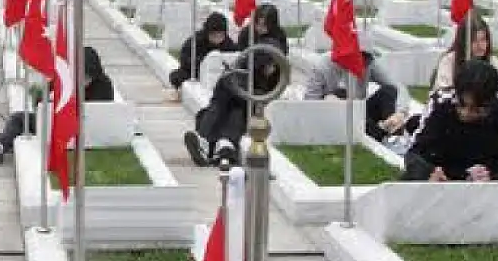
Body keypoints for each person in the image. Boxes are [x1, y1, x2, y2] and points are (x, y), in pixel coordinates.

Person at [401, 59, 498, 235]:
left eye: (476, 110)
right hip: (449, 182)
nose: (466, 113)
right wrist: (430, 172)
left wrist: (493, 177)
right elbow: (414, 154)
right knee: (407, 191)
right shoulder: (443, 110)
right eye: (462, 106)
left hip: (497, 186)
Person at [0, 47, 114, 164]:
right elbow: (41, 98)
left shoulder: (104, 85)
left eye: (86, 77)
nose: (82, 80)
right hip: (57, 123)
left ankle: (1, 142)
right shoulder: (65, 78)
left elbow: (103, 114)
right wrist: (47, 99)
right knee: (19, 119)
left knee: (13, 129)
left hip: (82, 130)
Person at [184, 30, 289, 167]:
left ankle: (212, 142)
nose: (271, 68)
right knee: (222, 106)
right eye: (269, 65)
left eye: (273, 65)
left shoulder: (278, 77)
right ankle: (222, 146)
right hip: (232, 105)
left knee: (233, 111)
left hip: (250, 109)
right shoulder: (244, 70)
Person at [302, 50, 401, 142]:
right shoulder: (322, 66)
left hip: (361, 111)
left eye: (367, 60)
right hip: (334, 115)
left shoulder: (369, 63)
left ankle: (392, 131)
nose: (364, 64)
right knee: (338, 95)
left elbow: (393, 85)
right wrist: (329, 103)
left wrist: (400, 112)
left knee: (389, 90)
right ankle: (380, 133)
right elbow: (310, 104)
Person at [432, 16, 498, 96]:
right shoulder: (449, 61)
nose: (480, 45)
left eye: (483, 39)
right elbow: (442, 92)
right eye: (474, 41)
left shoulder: (493, 62)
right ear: (463, 41)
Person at [169, 12, 237, 90]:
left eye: (220, 35)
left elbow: (234, 58)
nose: (217, 39)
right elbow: (185, 60)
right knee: (178, 76)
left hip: (218, 74)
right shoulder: (196, 41)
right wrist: (204, 62)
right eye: (214, 35)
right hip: (195, 72)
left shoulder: (228, 43)